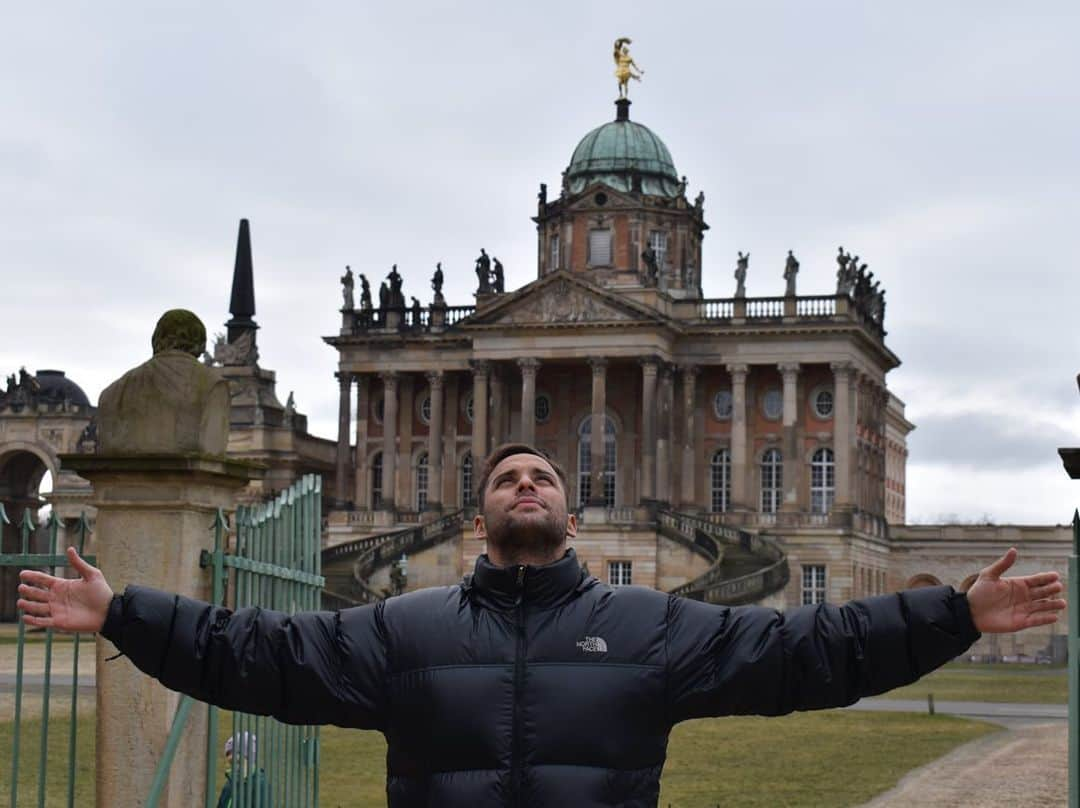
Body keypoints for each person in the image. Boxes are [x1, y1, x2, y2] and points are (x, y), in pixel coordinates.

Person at [17, 443, 1066, 807]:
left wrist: (952, 613)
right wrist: (126, 610)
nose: (529, 482)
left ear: (566, 510)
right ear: (480, 516)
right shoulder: (404, 627)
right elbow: (263, 655)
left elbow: (812, 651)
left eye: (546, 475)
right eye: (508, 475)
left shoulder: (652, 623)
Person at [216, 731, 268, 808]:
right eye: (230, 763)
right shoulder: (229, 785)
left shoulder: (260, 784)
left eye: (237, 762)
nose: (234, 767)